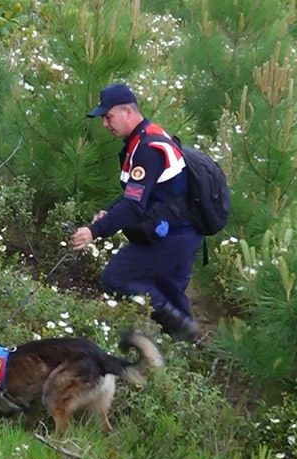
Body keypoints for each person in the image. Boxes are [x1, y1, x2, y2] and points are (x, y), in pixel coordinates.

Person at [69, 83, 201, 342]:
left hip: (174, 235)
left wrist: (94, 231)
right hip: (181, 231)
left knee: (116, 277)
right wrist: (109, 212)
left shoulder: (147, 149)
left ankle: (182, 331)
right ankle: (189, 347)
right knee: (170, 291)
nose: (106, 124)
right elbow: (138, 194)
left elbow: (133, 205)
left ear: (127, 111)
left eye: (108, 117)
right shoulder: (145, 138)